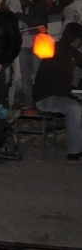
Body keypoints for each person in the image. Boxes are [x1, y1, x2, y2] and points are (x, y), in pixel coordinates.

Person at [33, 21, 82, 160]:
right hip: (47, 97)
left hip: (56, 94)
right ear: (76, 39)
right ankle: (74, 152)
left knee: (76, 106)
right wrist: (74, 95)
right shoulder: (62, 54)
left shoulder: (66, 51)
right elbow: (59, 85)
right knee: (75, 108)